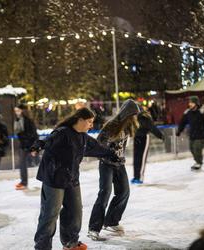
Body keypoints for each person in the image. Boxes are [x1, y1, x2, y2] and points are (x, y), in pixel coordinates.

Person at [32, 107, 119, 250]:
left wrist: (110, 153)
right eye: (89, 122)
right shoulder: (62, 133)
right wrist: (38, 145)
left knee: (75, 212)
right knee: (50, 214)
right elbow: (48, 140)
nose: (91, 125)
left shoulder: (83, 137)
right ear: (80, 120)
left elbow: (96, 148)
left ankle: (70, 243)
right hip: (54, 178)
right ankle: (42, 246)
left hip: (71, 178)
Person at [87, 99, 140, 241]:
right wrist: (110, 152)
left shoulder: (129, 127)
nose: (135, 117)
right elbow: (98, 144)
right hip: (106, 164)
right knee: (105, 193)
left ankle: (111, 221)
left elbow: (123, 145)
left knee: (124, 191)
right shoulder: (111, 126)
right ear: (127, 114)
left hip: (119, 164)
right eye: (133, 114)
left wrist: (119, 155)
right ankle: (93, 228)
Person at [176, 96, 204, 170]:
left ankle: (199, 162)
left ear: (196, 103)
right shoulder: (188, 112)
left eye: (192, 103)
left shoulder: (203, 111)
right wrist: (179, 130)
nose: (190, 104)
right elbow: (182, 122)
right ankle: (197, 161)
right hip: (192, 134)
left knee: (197, 148)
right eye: (189, 102)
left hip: (201, 134)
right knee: (192, 148)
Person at [131, 106, 164, 184]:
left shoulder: (145, 118)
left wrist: (160, 135)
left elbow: (152, 128)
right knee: (136, 158)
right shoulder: (134, 118)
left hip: (144, 138)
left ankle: (139, 177)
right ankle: (136, 176)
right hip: (137, 138)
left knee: (141, 158)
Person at [14, 104, 38, 190]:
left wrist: (34, 148)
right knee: (22, 164)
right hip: (23, 145)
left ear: (23, 111)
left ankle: (24, 182)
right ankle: (23, 182)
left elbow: (33, 135)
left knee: (33, 163)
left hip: (29, 145)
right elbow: (19, 133)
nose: (16, 113)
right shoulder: (18, 120)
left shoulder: (28, 121)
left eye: (18, 111)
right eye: (15, 111)